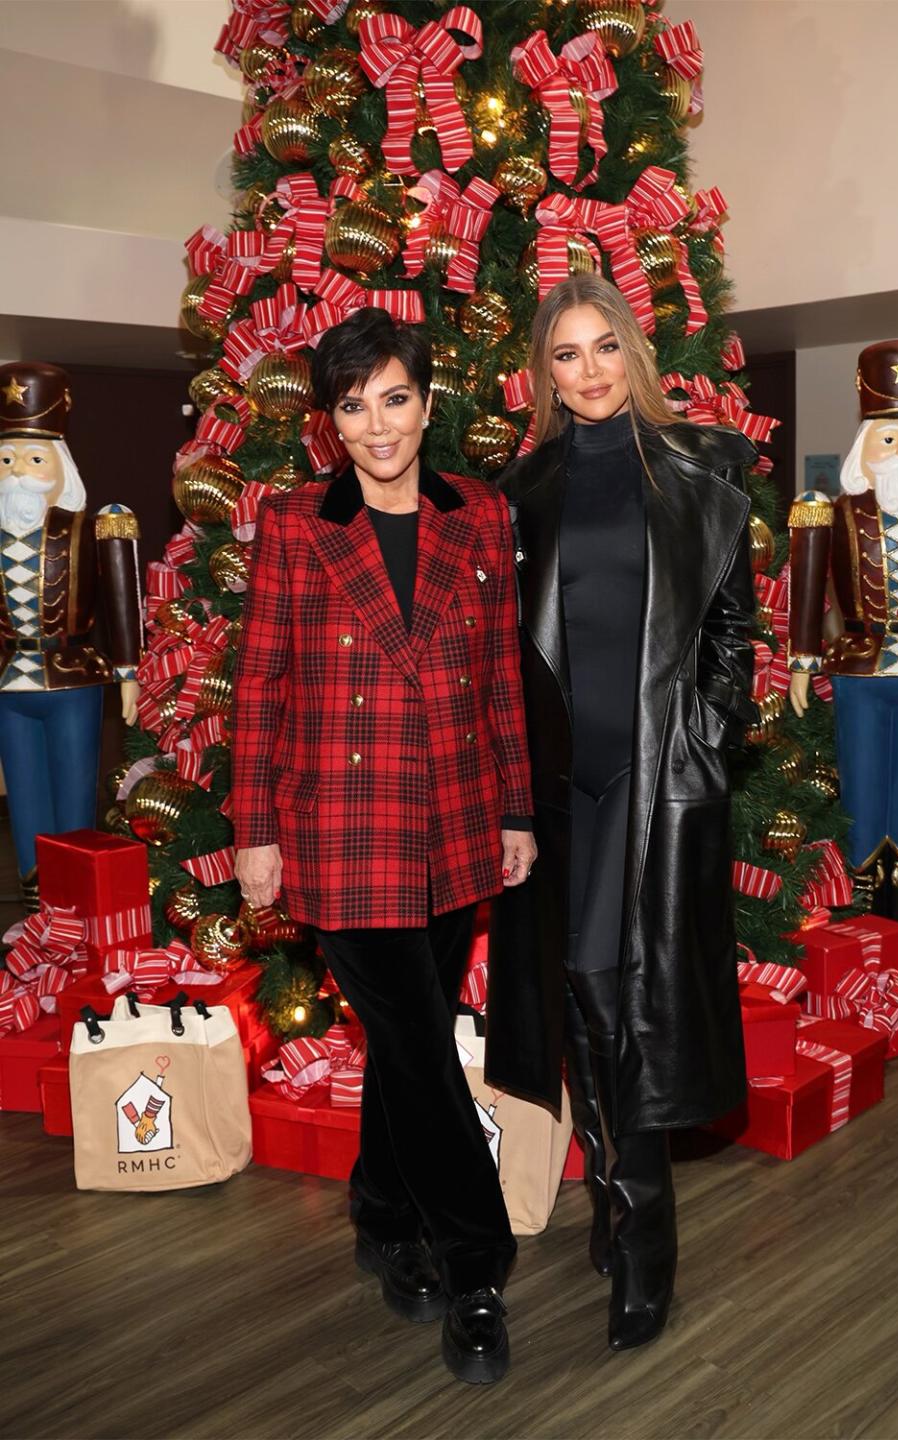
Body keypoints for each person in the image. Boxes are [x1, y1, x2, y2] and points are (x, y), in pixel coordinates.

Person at [231, 308, 536, 1386]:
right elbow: (260, 685)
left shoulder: (481, 515)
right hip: (341, 831)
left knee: (410, 1045)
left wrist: (515, 813)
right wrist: (254, 833)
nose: (376, 426)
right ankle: (477, 1264)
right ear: (329, 421)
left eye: (393, 399)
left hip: (453, 822)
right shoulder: (295, 522)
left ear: (427, 400)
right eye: (352, 406)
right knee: (414, 1041)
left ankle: (380, 1211)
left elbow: (500, 678)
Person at [487, 274, 756, 1352]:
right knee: (578, 997)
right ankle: (618, 1200)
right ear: (542, 371)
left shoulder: (703, 467)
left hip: (655, 782)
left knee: (612, 994)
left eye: (605, 348)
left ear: (633, 354)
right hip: (559, 791)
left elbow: (732, 629)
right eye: (566, 354)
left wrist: (708, 738)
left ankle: (644, 1238)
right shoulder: (524, 486)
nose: (589, 370)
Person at [788, 339, 898, 975]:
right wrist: (803, 658)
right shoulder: (826, 512)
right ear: (865, 447)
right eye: (889, 440)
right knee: (862, 796)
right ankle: (861, 924)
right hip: (859, 668)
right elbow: (807, 592)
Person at [0, 362, 142, 910]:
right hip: (11, 684)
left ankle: (80, 912)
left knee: (75, 803)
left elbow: (121, 604)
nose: (18, 473)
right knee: (25, 809)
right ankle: (38, 916)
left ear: (59, 466)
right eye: (8, 460)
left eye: (34, 461)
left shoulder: (98, 525)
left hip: (74, 681)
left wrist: (128, 671)